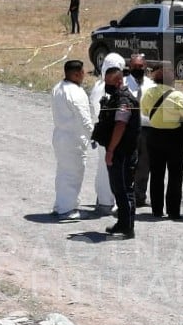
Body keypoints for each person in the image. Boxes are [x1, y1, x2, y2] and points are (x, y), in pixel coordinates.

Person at [140, 63, 183, 219]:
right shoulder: (178, 96)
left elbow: (144, 111)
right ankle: (173, 211)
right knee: (175, 175)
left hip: (154, 135)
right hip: (175, 138)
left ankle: (157, 210)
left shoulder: (149, 93)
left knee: (156, 174)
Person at [92, 65, 140, 239]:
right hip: (119, 150)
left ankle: (128, 227)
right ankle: (122, 223)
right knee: (117, 188)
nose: (107, 86)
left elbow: (120, 125)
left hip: (123, 152)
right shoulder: (115, 97)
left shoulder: (124, 100)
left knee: (125, 189)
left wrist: (110, 150)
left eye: (110, 82)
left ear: (119, 81)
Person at [51, 59, 94, 220]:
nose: (84, 75)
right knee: (73, 174)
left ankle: (61, 204)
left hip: (60, 135)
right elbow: (84, 120)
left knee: (63, 172)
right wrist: (94, 137)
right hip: (73, 139)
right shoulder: (76, 92)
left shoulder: (58, 88)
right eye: (82, 72)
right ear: (76, 74)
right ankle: (66, 210)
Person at [88, 53, 125, 216]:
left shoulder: (98, 86)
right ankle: (108, 201)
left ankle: (103, 199)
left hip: (101, 132)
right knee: (111, 168)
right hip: (112, 133)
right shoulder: (111, 89)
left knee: (103, 167)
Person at [125, 54, 155, 206]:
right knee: (129, 163)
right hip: (128, 128)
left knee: (144, 164)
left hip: (147, 129)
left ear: (145, 67)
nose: (138, 69)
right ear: (130, 67)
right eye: (135, 67)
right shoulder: (123, 83)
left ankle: (140, 196)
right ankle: (127, 195)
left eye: (140, 67)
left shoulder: (151, 85)